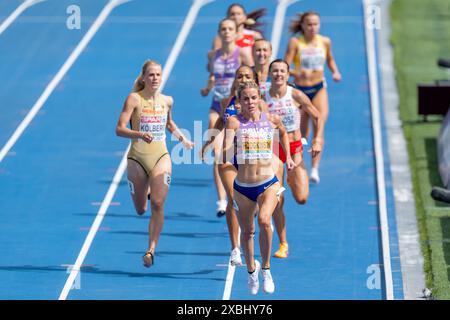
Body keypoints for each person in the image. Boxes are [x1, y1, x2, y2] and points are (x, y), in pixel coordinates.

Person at [116, 60, 194, 268]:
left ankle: (151, 250)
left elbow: (169, 123)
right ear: (143, 77)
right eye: (151, 75)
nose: (155, 78)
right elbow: (119, 129)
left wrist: (182, 138)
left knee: (158, 204)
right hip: (137, 159)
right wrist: (139, 133)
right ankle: (145, 191)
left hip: (161, 156)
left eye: (158, 75)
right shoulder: (134, 99)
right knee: (141, 209)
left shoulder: (167, 100)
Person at [222, 81, 295, 295]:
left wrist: (287, 157)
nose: (250, 102)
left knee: (264, 220)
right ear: (240, 101)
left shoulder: (271, 119)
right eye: (246, 98)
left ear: (259, 98)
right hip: (243, 186)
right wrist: (228, 149)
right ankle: (251, 272)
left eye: (254, 97)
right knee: (248, 232)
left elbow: (283, 132)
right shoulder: (234, 123)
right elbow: (226, 148)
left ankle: (266, 269)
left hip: (268, 183)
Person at [264, 59, 323, 259]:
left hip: (295, 148)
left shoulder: (295, 95)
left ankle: (292, 177)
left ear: (288, 74)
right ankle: (283, 243)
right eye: (275, 71)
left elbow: (317, 116)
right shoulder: (262, 96)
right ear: (270, 74)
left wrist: (317, 139)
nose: (279, 74)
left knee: (301, 198)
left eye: (282, 71)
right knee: (277, 199)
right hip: (273, 149)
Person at [201, 65, 260, 266]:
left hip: (252, 161)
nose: (243, 78)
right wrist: (208, 143)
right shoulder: (229, 101)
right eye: (240, 75)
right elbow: (220, 121)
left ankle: (248, 233)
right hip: (230, 159)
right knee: (233, 200)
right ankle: (235, 249)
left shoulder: (260, 106)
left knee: (250, 206)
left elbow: (273, 128)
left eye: (247, 76)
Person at [201, 18, 252, 217]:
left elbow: (251, 76)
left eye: (230, 29)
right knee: (217, 152)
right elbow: (213, 76)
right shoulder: (214, 55)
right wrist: (207, 88)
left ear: (236, 31)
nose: (227, 32)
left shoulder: (243, 53)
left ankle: (245, 190)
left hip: (238, 106)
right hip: (218, 105)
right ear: (219, 33)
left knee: (239, 152)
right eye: (223, 29)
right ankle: (222, 200)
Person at [284, 11, 341, 183]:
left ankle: (315, 169)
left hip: (318, 88)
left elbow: (330, 59)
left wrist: (335, 72)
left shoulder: (324, 41)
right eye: (309, 24)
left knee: (319, 124)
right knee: (301, 131)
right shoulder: (295, 42)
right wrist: (296, 72)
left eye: (315, 24)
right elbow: (285, 65)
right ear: (302, 25)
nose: (312, 27)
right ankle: (299, 162)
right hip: (300, 90)